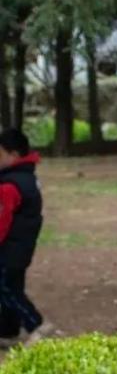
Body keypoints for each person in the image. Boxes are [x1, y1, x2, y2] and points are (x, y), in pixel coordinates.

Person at [0, 128, 51, 347]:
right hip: (21, 247)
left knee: (6, 289)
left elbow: (2, 220)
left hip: (8, 248)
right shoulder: (27, 177)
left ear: (14, 155)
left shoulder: (10, 185)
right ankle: (8, 330)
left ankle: (36, 324)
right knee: (11, 286)